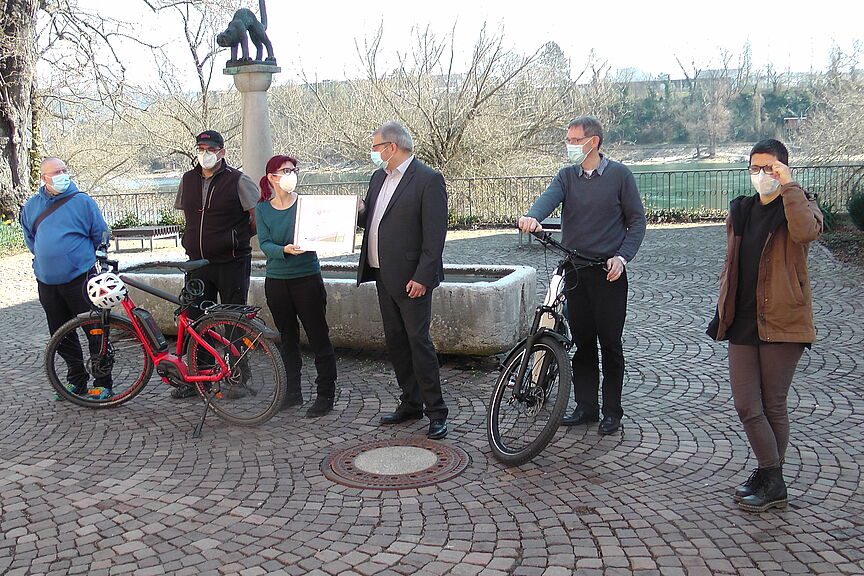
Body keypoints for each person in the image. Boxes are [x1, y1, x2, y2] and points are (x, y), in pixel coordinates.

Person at [707, 139, 822, 512]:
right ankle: (770, 474)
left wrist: (789, 187)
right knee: (746, 403)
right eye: (755, 168)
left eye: (770, 168)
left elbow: (806, 233)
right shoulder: (742, 209)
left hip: (783, 318)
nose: (762, 175)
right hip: (742, 317)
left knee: (772, 403)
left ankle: (770, 478)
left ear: (784, 168)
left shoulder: (798, 205)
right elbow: (732, 263)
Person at [518, 116, 646, 436]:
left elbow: (637, 222)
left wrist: (622, 257)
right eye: (569, 140)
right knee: (583, 343)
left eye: (576, 141)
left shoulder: (619, 176)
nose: (570, 146)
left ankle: (612, 411)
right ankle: (587, 407)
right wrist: (533, 216)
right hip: (575, 271)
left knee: (610, 344)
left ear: (594, 142)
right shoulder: (566, 176)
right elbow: (548, 199)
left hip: (608, 273)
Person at [357, 121, 449, 440]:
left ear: (391, 147)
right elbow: (371, 220)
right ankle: (410, 402)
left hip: (412, 279)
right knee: (396, 342)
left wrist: (423, 276)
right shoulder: (378, 176)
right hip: (383, 275)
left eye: (376, 147)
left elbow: (435, 235)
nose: (373, 153)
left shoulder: (427, 179)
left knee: (418, 342)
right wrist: (355, 212)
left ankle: (436, 412)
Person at [172, 129, 259, 399]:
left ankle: (238, 376)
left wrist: (236, 239)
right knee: (197, 323)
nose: (205, 154)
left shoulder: (238, 180)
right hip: (197, 263)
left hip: (231, 262)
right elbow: (186, 216)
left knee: (234, 322)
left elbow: (256, 217)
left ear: (222, 152)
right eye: (201, 149)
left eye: (210, 150)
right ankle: (200, 378)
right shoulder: (187, 180)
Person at [20, 156, 112, 398]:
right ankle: (76, 379)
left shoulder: (82, 202)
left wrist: (80, 258)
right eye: (56, 171)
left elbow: (100, 233)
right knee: (61, 333)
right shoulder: (31, 207)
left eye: (64, 170)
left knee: (94, 330)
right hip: (47, 282)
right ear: (44, 178)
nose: (62, 174)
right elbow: (31, 239)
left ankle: (103, 382)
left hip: (81, 279)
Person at [256, 154, 337, 417]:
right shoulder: (263, 209)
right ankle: (292, 392)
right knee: (287, 339)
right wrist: (284, 250)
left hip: (307, 278)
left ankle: (325, 394)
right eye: (285, 170)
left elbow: (325, 231)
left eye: (294, 170)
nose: (291, 174)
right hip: (278, 280)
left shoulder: (306, 205)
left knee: (318, 336)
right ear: (272, 178)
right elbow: (265, 243)